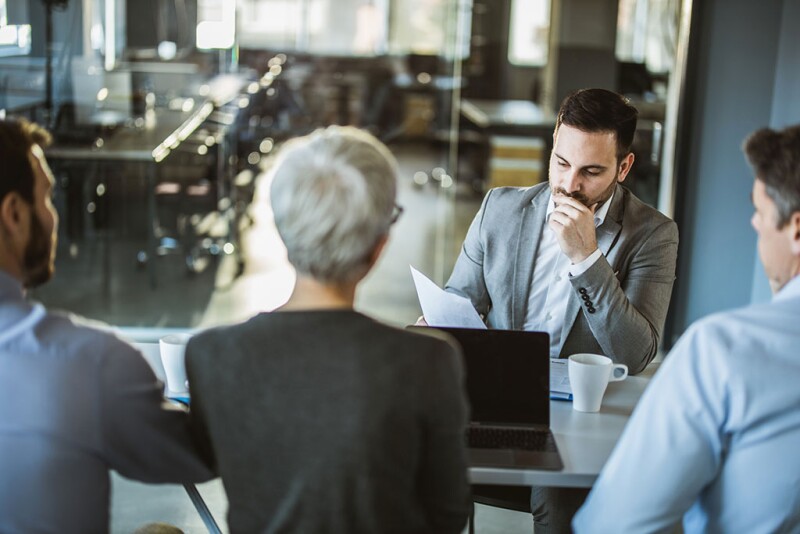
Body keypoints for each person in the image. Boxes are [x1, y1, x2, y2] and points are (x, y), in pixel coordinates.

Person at [186, 126, 471, 533]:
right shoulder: (428, 361)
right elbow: (449, 514)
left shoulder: (210, 355)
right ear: (378, 246)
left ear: (283, 233)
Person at [443, 88, 679, 533]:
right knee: (423, 470)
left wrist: (587, 260)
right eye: (561, 162)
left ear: (623, 167)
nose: (570, 185)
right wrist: (436, 326)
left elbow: (635, 354)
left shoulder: (653, 235)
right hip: (495, 399)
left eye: (591, 171)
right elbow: (461, 303)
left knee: (559, 502)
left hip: (579, 415)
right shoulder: (499, 208)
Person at [573, 124, 800, 532]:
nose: (754, 225)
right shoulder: (503, 207)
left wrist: (586, 261)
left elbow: (613, 525)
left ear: (796, 230)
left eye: (760, 212)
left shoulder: (725, 350)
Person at [0, 117, 213, 532]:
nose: (54, 215)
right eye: (46, 198)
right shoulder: (88, 362)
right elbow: (195, 454)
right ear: (13, 214)